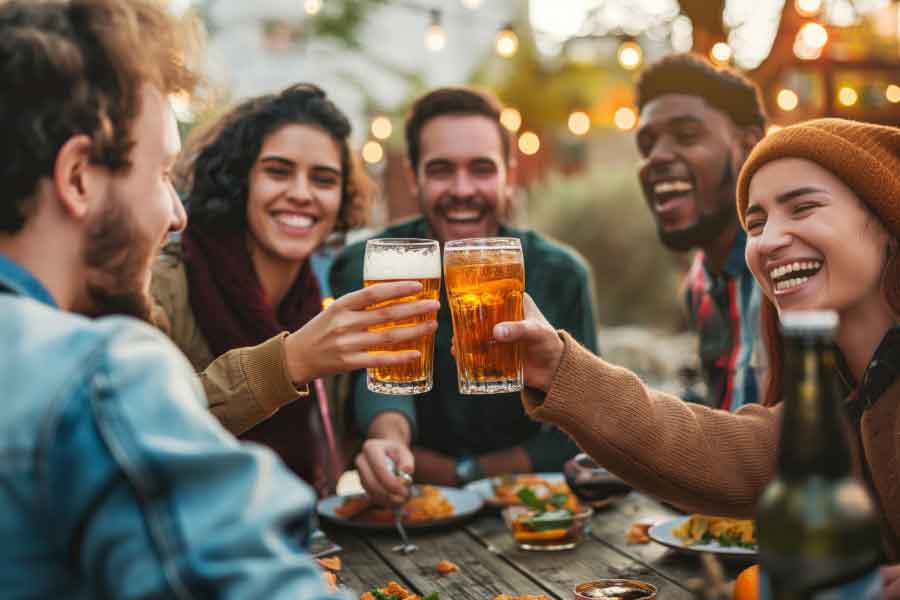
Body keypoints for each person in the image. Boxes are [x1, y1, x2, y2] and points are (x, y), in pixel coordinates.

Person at [0, 0, 349, 595]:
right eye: (162, 173)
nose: (176, 214)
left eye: (323, 179)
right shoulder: (100, 374)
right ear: (78, 177)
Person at [489, 119, 900, 570]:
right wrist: (557, 368)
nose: (767, 241)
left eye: (803, 208)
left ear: (886, 219)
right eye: (756, 223)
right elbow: (715, 453)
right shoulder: (840, 401)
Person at [151, 83, 438, 494]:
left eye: (324, 179)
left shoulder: (319, 298)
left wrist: (382, 444)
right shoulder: (163, 286)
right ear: (240, 180)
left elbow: (340, 426)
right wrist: (288, 363)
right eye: (278, 172)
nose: (302, 194)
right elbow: (148, 427)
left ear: (342, 198)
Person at [330, 87, 599, 503]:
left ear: (509, 176)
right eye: (441, 170)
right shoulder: (369, 263)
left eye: (481, 169)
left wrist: (464, 474)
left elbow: (584, 424)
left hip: (529, 507)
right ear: (413, 178)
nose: (462, 189)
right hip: (408, 505)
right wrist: (391, 440)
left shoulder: (561, 274)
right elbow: (379, 378)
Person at [635, 53, 766, 411]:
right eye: (646, 146)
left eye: (687, 136)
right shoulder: (699, 285)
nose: (656, 157)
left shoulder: (783, 276)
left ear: (748, 146)